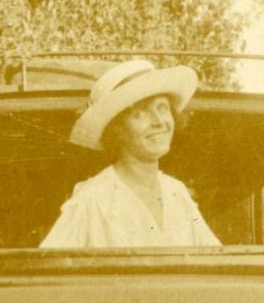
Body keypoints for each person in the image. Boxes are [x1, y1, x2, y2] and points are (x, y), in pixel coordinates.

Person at [41, 58, 220, 248]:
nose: (159, 121)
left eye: (162, 108)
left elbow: (216, 259)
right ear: (117, 129)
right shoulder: (93, 199)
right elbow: (47, 269)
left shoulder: (177, 192)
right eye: (140, 113)